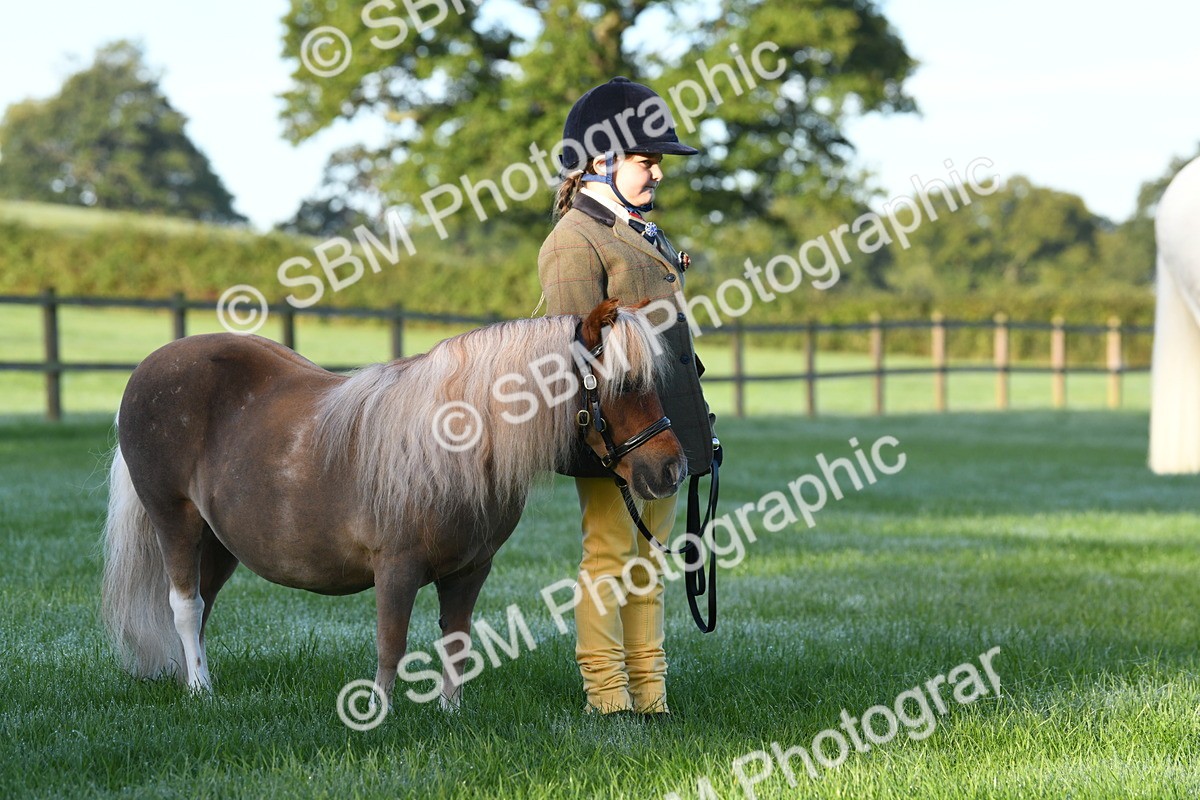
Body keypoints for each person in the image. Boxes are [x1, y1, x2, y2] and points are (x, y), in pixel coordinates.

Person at [537, 76, 715, 716]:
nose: (657, 173)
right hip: (618, 427)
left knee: (650, 562)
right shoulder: (573, 241)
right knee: (610, 556)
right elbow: (577, 347)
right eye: (646, 160)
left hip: (664, 417)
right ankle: (607, 699)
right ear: (600, 159)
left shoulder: (634, 228)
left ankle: (652, 699)